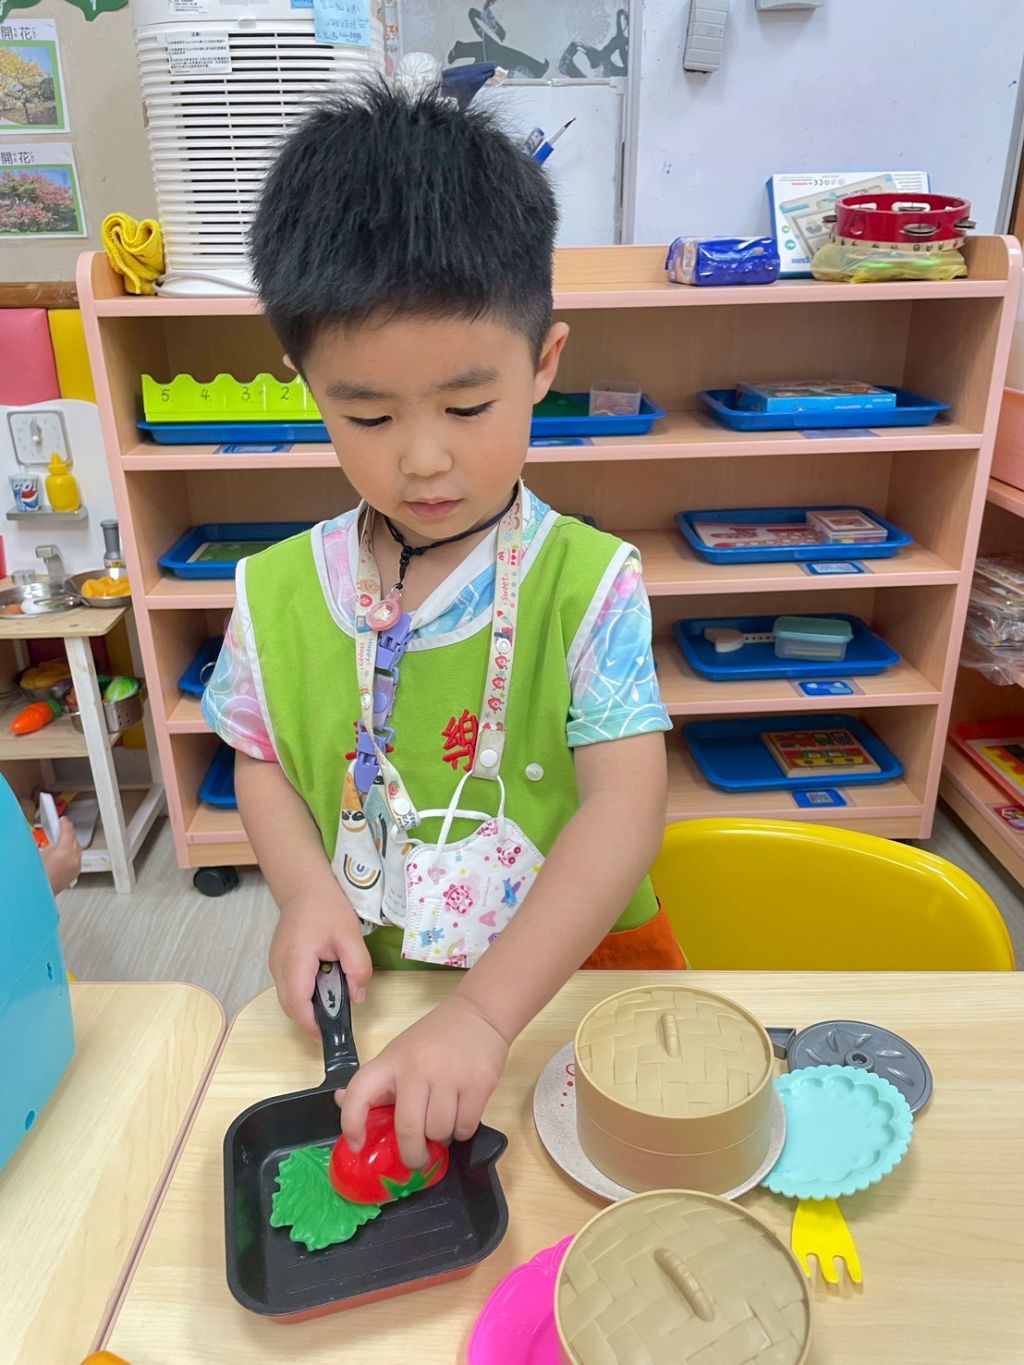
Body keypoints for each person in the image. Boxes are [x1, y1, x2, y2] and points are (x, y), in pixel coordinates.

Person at [202, 82, 683, 1171]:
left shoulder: (590, 583)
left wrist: (484, 1015)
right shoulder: (274, 591)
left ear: (544, 362)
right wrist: (306, 890)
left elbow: (626, 808)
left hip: (571, 991)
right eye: (367, 415)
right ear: (307, 386)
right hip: (388, 993)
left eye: (468, 408)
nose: (423, 459)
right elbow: (261, 758)